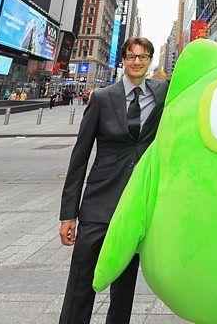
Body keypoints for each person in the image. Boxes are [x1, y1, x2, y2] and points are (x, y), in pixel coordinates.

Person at [58, 37, 169, 324]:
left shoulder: (161, 93)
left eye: (143, 57)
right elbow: (79, 157)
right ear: (123, 60)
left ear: (150, 61)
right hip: (98, 203)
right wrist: (68, 214)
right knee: (81, 285)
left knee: (124, 290)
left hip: (134, 205)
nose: (136, 62)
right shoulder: (103, 98)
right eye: (131, 56)